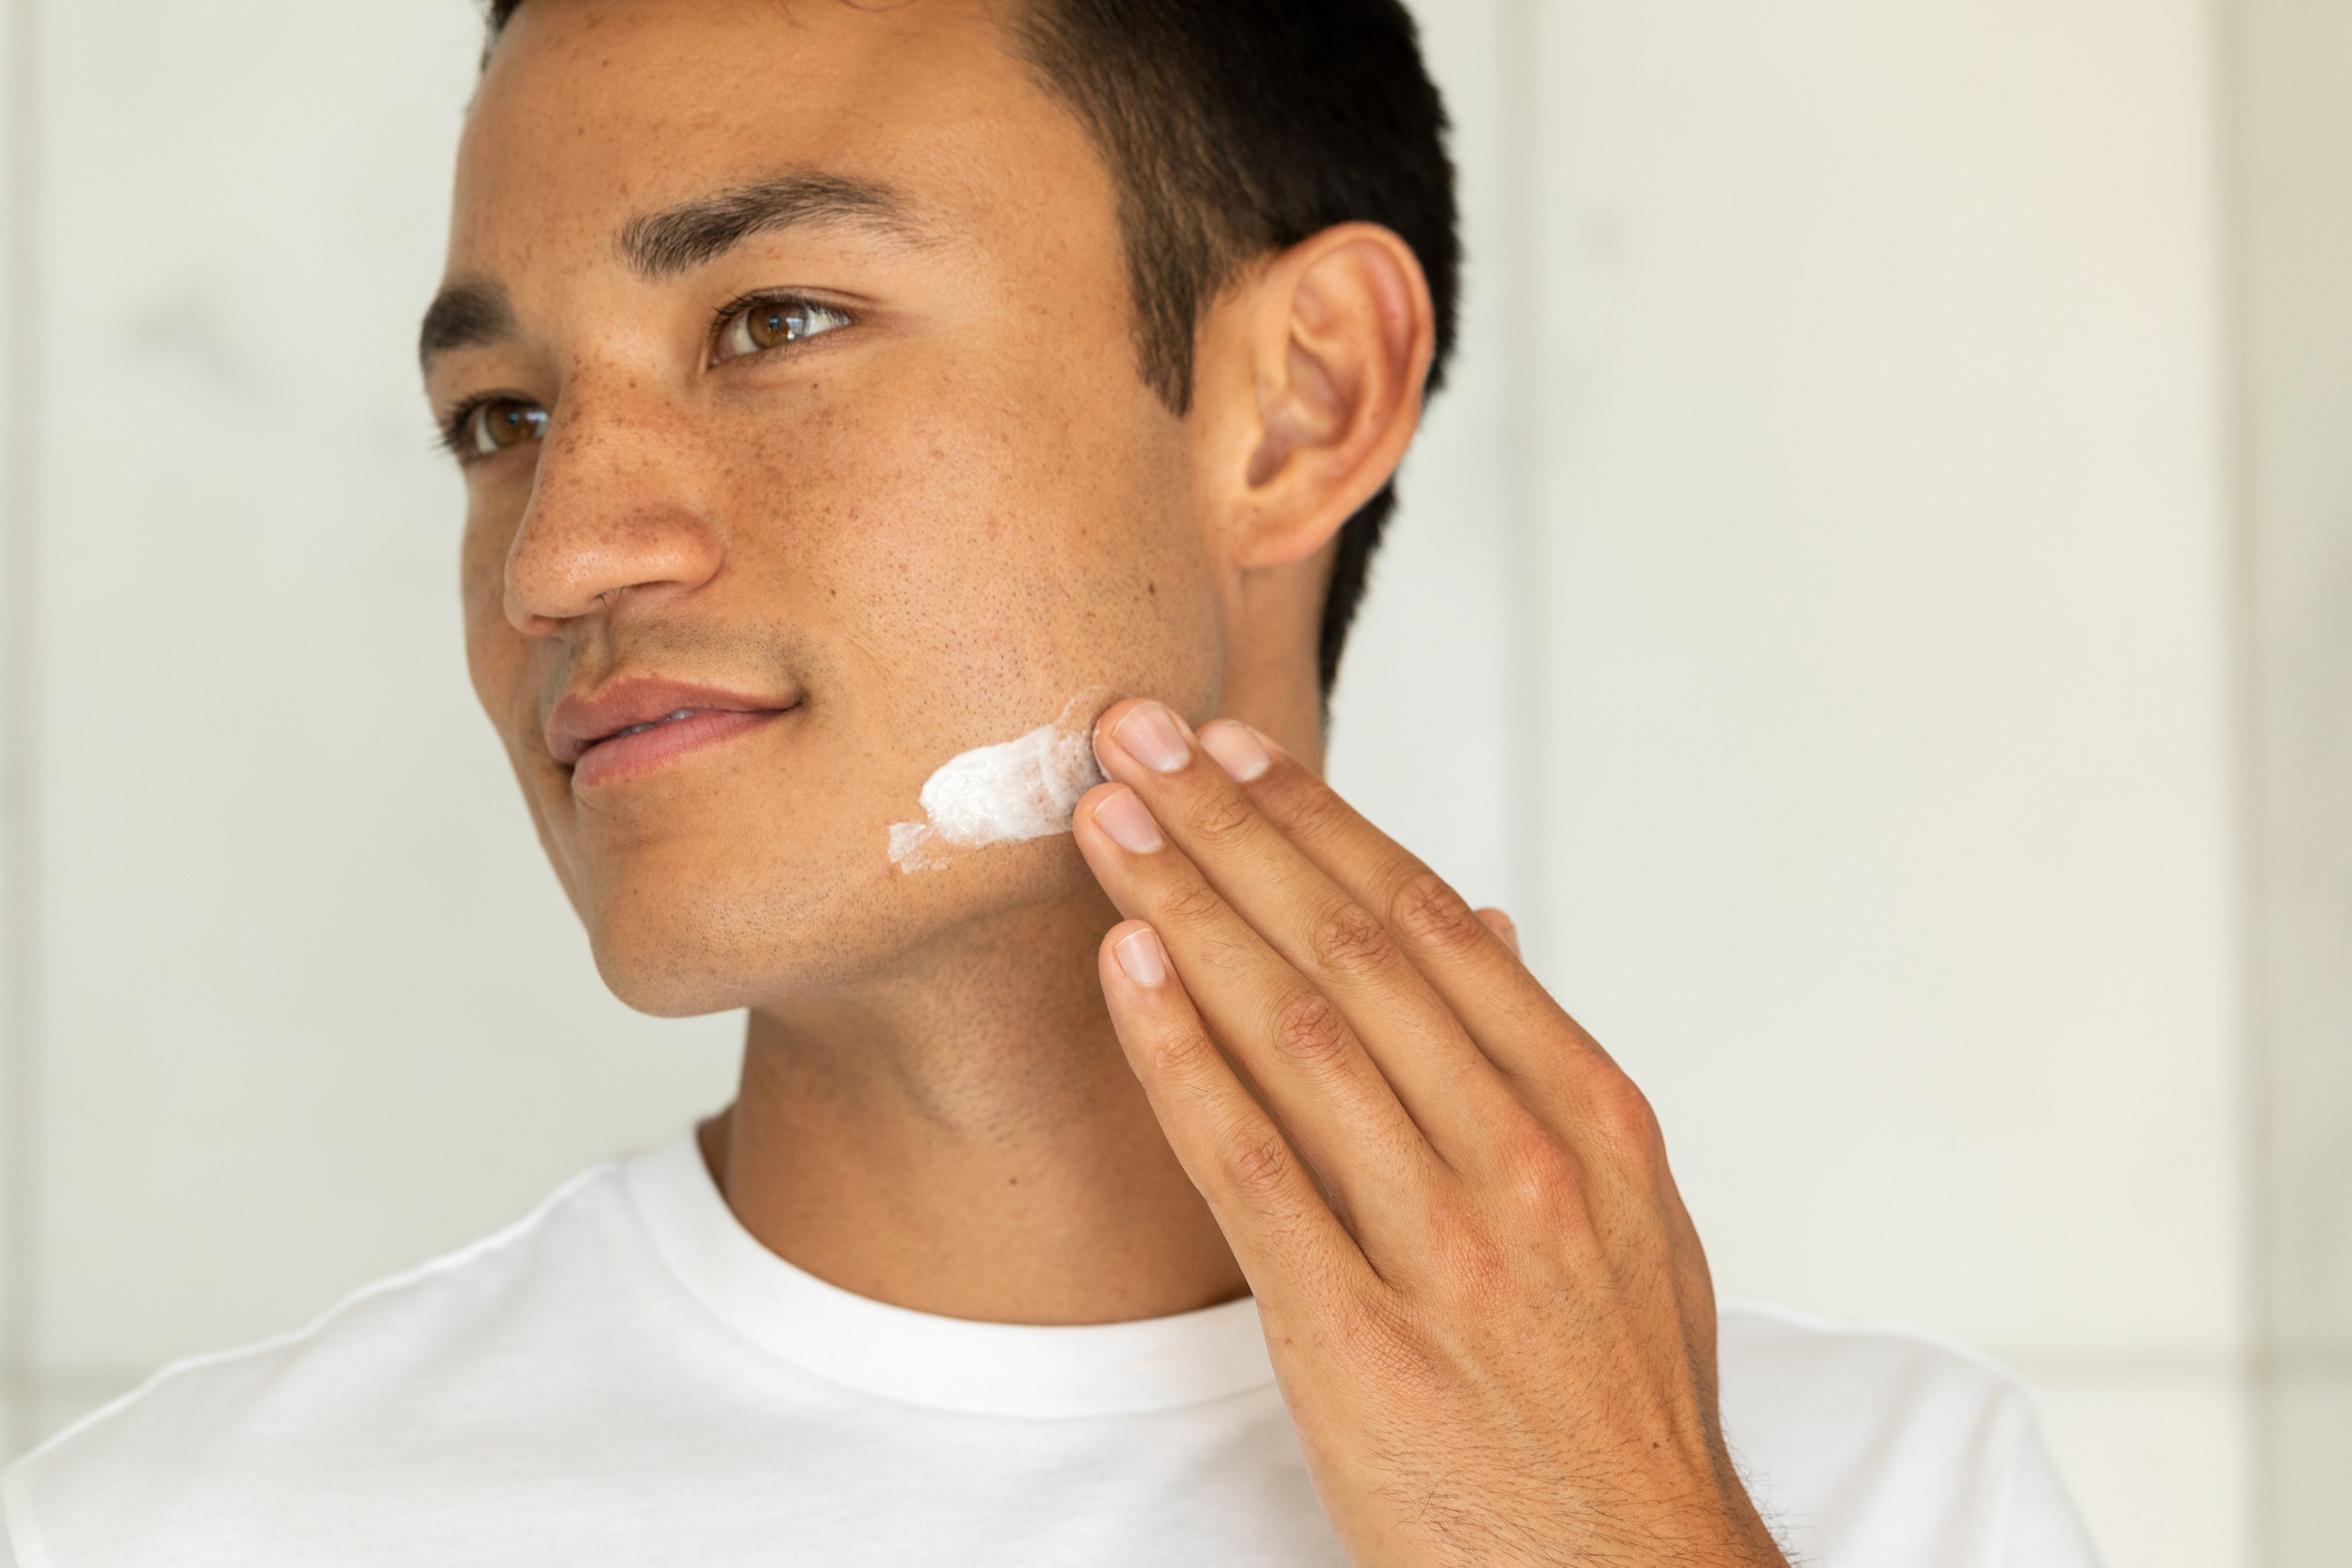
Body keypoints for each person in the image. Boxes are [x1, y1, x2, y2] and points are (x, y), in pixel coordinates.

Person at [1, 2, 2102, 1564]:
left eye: (777, 319)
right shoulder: (178, 1530)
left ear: (1297, 403)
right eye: (499, 416)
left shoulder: (1890, 1499)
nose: (558, 556)